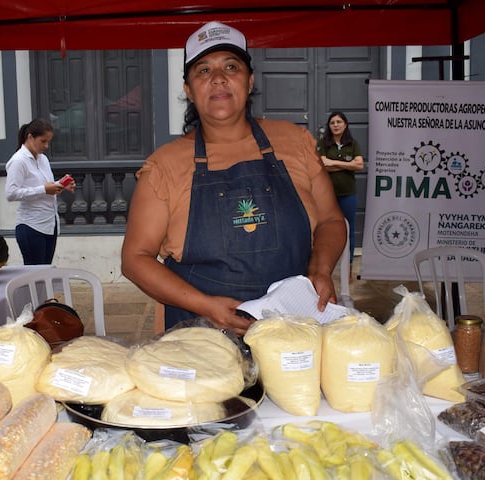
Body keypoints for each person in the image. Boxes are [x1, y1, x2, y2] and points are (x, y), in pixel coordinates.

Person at [121, 21, 347, 336]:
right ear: (188, 89)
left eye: (231, 66)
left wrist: (320, 270)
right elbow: (135, 258)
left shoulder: (296, 142)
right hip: (201, 332)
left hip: (292, 329)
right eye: (203, 71)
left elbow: (331, 221)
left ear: (250, 80)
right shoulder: (164, 165)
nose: (218, 78)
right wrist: (204, 305)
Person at [5, 118, 75, 265]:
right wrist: (44, 189)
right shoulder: (18, 161)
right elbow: (11, 193)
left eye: (48, 141)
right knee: (34, 277)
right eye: (43, 141)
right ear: (30, 137)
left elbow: (45, 187)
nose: (46, 146)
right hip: (31, 225)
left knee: (44, 275)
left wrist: (60, 185)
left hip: (50, 223)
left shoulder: (43, 159)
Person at [317, 111, 364, 277]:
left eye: (339, 122)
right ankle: (324, 271)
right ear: (329, 126)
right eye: (332, 122)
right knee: (323, 231)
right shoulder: (323, 143)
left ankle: (349, 269)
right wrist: (347, 164)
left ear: (345, 124)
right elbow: (322, 165)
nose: (335, 125)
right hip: (327, 195)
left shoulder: (352, 143)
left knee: (348, 230)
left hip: (348, 194)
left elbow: (359, 166)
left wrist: (334, 162)